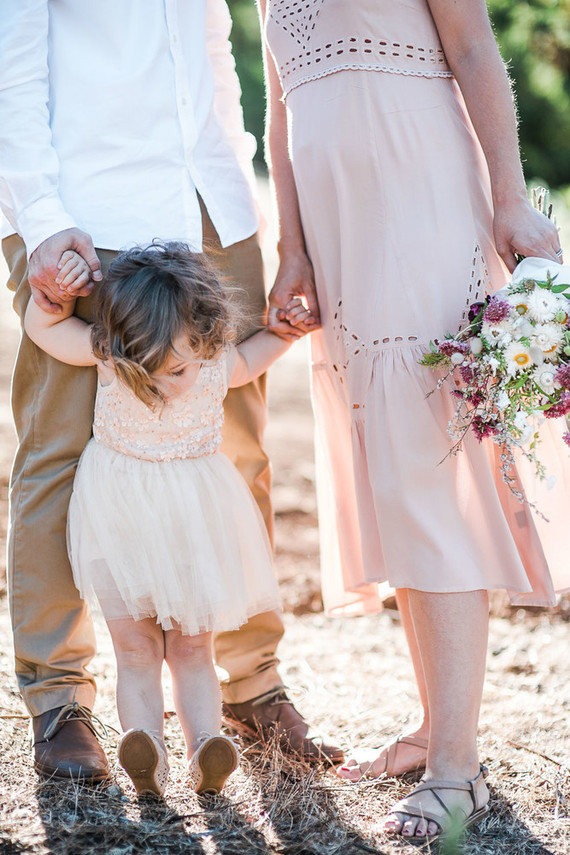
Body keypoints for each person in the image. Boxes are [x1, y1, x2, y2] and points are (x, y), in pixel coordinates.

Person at [0, 0, 341, 784]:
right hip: (86, 216)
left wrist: (248, 208)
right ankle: (59, 696)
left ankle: (250, 682)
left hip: (213, 209)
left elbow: (215, 56)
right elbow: (10, 62)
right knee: (59, 455)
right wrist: (41, 219)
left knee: (237, 456)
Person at [258, 0, 570, 840]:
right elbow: (280, 100)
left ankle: (457, 772)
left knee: (429, 462)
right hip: (337, 223)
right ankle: (437, 728)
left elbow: (472, 46)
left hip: (419, 189)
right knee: (392, 468)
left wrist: (508, 194)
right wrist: (290, 244)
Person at [23, 241, 315, 796]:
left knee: (190, 647)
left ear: (204, 337)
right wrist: (50, 303)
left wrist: (284, 331)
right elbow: (45, 332)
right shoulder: (110, 354)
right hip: (119, 520)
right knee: (134, 649)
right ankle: (145, 751)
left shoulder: (213, 360)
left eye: (176, 368)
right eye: (147, 372)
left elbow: (254, 358)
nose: (163, 383)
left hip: (192, 522)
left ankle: (206, 747)